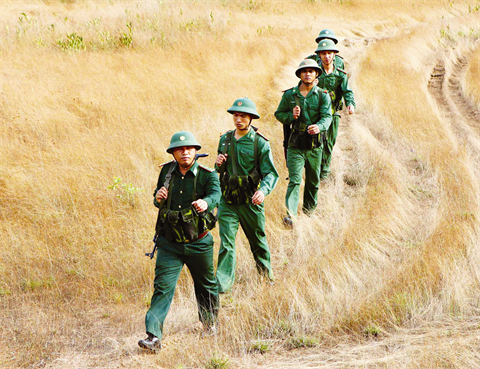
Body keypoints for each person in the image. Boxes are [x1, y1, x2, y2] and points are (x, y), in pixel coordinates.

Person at [138, 131, 221, 352]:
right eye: (180, 149)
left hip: (199, 242)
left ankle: (210, 324)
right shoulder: (166, 172)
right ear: (173, 153)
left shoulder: (207, 175)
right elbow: (158, 200)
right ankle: (153, 336)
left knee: (206, 286)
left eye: (189, 149)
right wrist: (157, 198)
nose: (185, 152)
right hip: (169, 243)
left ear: (196, 151)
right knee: (162, 288)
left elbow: (216, 195)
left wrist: (206, 202)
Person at [215, 97, 279, 294]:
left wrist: (263, 191)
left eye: (243, 116)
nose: (238, 119)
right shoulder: (224, 140)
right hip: (227, 201)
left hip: (250, 201)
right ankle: (223, 285)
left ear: (251, 118)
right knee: (226, 243)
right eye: (235, 115)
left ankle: (266, 277)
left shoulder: (260, 143)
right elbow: (219, 171)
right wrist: (218, 163)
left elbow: (270, 173)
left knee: (257, 240)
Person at [275, 59, 332, 227]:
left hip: (315, 146)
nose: (307, 73)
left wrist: (319, 127)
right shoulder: (289, 95)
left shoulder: (322, 95)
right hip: (296, 145)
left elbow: (327, 117)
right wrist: (290, 115)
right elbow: (279, 114)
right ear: (300, 74)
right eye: (304, 71)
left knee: (313, 181)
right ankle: (291, 216)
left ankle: (309, 211)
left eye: (311, 71)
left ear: (316, 75)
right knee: (295, 180)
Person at [315, 39, 355, 180]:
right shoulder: (314, 72)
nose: (327, 56)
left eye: (329, 53)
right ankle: (314, 169)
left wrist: (350, 104)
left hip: (332, 113)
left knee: (329, 141)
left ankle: (324, 169)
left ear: (334, 55)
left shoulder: (340, 74)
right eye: (324, 53)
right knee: (316, 141)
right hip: (316, 113)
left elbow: (347, 91)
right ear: (319, 55)